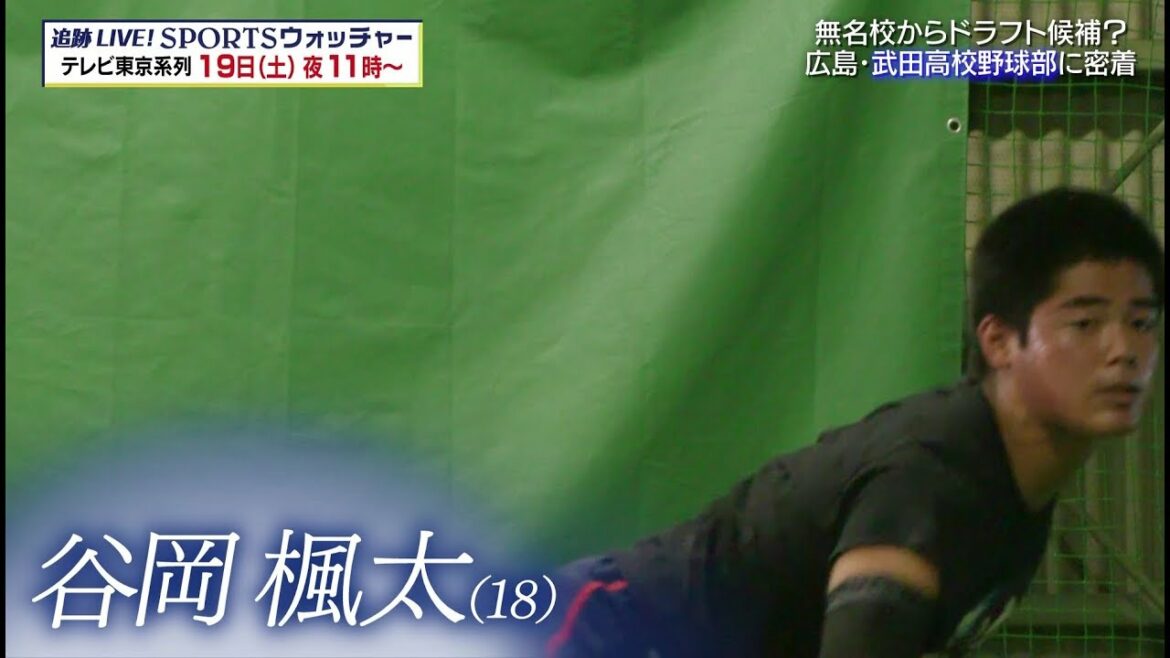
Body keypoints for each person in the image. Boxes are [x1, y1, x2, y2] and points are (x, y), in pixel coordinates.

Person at [542, 187, 1165, 658]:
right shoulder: (934, 472)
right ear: (1000, 341)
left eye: (1141, 322)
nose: (1124, 351)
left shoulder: (1019, 489)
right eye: (1085, 323)